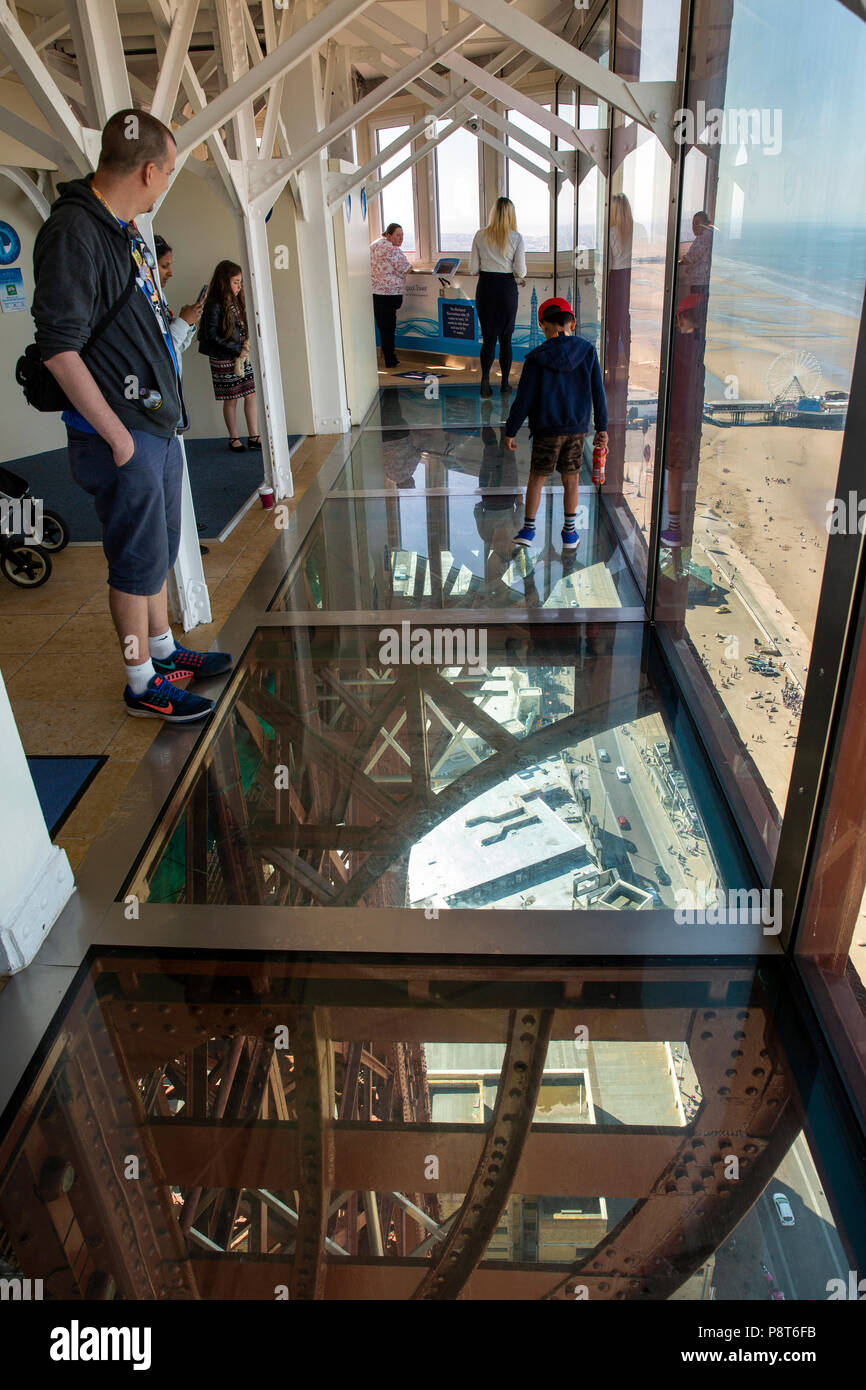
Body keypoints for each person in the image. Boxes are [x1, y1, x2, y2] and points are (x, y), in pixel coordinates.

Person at [31, 108, 232, 723]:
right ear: (149, 170)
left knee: (159, 549)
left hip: (154, 428)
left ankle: (165, 652)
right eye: (168, 171)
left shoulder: (117, 227)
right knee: (133, 562)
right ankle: (141, 681)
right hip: (123, 436)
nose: (166, 180)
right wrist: (118, 440)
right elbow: (58, 347)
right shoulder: (75, 231)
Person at [504, 297, 608, 552]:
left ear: (542, 325)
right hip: (576, 429)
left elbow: (524, 399)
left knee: (537, 478)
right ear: (572, 321)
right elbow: (598, 392)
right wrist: (602, 427)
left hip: (546, 430)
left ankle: (528, 529)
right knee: (571, 480)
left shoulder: (537, 357)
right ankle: (569, 534)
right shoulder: (587, 351)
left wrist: (511, 430)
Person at [154, 235, 210, 555]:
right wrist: (181, 323)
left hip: (172, 407)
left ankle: (183, 532)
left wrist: (186, 325)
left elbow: (174, 352)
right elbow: (158, 357)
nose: (170, 272)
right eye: (165, 266)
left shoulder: (160, 304)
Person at [198, 260, 260, 452]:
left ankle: (253, 435)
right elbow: (211, 335)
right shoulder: (213, 304)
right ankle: (233, 437)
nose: (238, 286)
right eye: (235, 282)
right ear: (224, 281)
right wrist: (236, 349)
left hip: (240, 357)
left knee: (251, 394)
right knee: (231, 398)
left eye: (240, 282)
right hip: (224, 357)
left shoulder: (236, 302)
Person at [469, 197, 526, 397]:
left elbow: (473, 268)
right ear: (511, 214)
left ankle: (485, 380)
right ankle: (504, 383)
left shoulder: (479, 235)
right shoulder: (516, 237)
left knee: (489, 339)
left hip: (485, 288)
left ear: (493, 212)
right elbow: (521, 270)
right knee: (506, 339)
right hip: (506, 290)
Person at [370, 223, 413, 369]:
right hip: (390, 294)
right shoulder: (393, 250)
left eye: (402, 235)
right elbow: (406, 267)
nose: (401, 238)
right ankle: (390, 359)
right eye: (397, 235)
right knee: (389, 328)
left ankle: (388, 357)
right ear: (389, 235)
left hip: (376, 293)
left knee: (383, 328)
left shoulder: (375, 245)